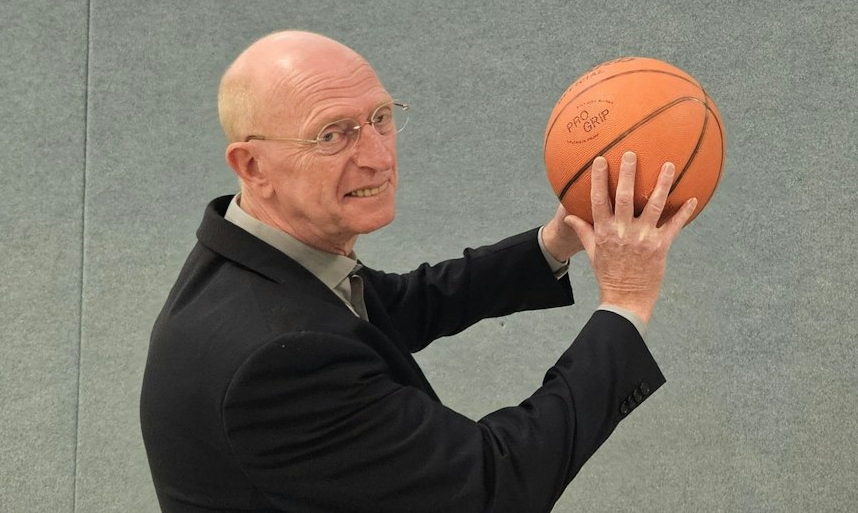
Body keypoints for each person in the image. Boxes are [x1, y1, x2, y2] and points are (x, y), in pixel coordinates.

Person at [141, 30, 696, 513]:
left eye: (380, 118)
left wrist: (554, 243)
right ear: (253, 165)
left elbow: (397, 306)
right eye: (333, 134)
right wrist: (624, 303)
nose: (379, 157)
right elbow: (493, 487)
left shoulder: (253, 260)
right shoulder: (276, 362)